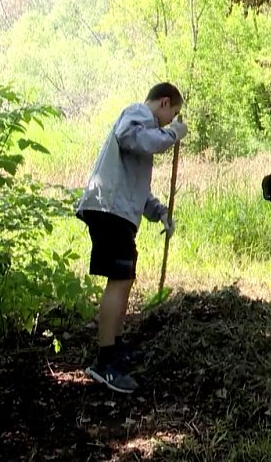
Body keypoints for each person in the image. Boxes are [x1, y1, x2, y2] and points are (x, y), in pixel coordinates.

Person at [76, 82, 188, 393]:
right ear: (164, 103)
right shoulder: (138, 114)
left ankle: (116, 344)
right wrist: (173, 134)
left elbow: (137, 185)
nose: (170, 121)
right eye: (173, 114)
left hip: (118, 210)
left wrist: (159, 211)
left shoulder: (144, 130)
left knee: (124, 277)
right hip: (108, 209)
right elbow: (130, 137)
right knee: (119, 278)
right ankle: (104, 362)